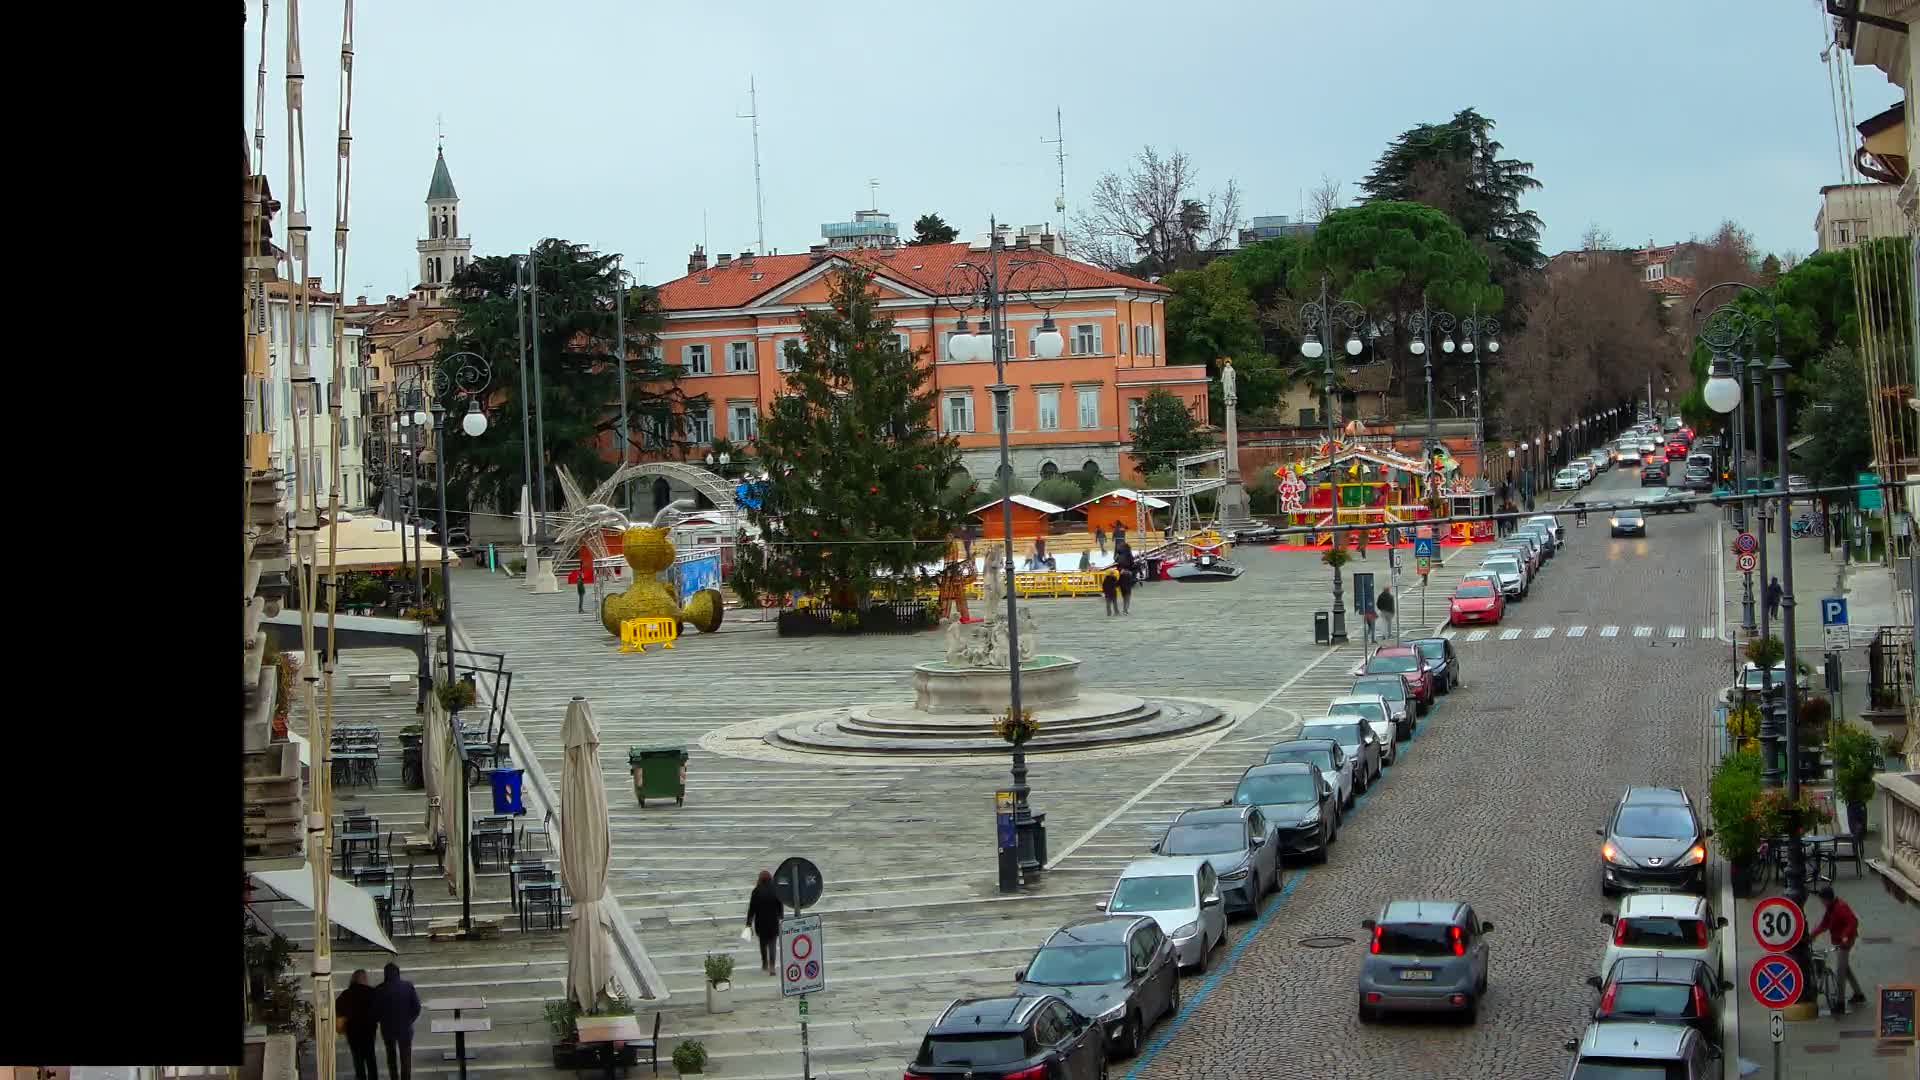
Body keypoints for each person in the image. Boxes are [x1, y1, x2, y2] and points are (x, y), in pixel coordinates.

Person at [1809, 884, 1867, 1012]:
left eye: (1822, 900)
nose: (1822, 903)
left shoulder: (1840, 907)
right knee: (1845, 968)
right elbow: (1824, 924)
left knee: (1840, 971)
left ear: (1827, 899)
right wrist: (1812, 936)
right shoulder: (1830, 908)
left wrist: (1845, 936)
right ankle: (1859, 994)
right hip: (1839, 941)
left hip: (1845, 942)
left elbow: (1852, 921)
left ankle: (1840, 1003)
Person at [373, 962, 421, 1080]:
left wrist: (382, 1020)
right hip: (405, 1027)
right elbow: (416, 1007)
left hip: (388, 1029)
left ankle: (394, 1077)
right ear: (398, 973)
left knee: (391, 1056)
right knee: (406, 1057)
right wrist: (410, 1020)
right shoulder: (408, 986)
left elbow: (375, 1012)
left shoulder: (379, 989)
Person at [337, 969, 380, 1080]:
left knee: (358, 1060)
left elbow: (338, 1010)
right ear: (364, 979)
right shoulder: (372, 992)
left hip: (353, 1032)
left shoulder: (346, 994)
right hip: (369, 1031)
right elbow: (379, 1010)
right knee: (371, 1058)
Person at [747, 870, 785, 976]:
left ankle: (765, 963)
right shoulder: (776, 890)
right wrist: (781, 916)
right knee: (772, 944)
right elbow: (780, 905)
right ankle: (772, 967)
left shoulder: (756, 891)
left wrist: (748, 923)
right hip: (773, 922)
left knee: (763, 944)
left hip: (761, 923)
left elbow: (752, 909)